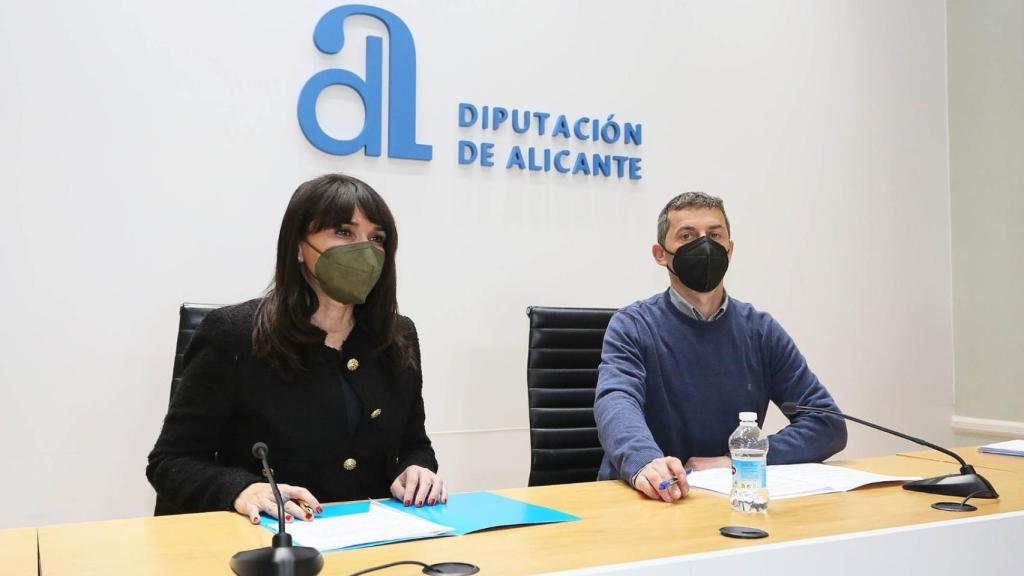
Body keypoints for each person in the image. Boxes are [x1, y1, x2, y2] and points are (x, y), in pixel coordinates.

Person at [147, 174, 444, 525]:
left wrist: (417, 468)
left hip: (372, 537)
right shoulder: (233, 334)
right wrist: (243, 490)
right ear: (298, 246)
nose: (365, 251)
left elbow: (413, 443)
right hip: (269, 542)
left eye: (376, 238)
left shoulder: (397, 335)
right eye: (345, 232)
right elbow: (171, 462)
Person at [594, 192, 847, 503]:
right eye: (687, 235)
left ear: (729, 249)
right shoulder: (632, 325)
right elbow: (616, 402)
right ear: (661, 254)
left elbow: (826, 424)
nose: (705, 245)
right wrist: (647, 462)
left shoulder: (760, 330)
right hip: (649, 498)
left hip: (729, 499)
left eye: (714, 235)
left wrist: (736, 459)